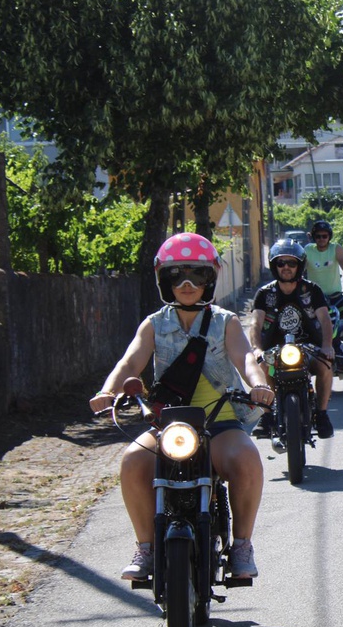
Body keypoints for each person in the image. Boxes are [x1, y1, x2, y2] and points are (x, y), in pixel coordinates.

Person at [89, 232, 275, 580]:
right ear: (164, 282)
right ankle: (145, 548)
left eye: (197, 275)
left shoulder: (225, 321)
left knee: (248, 459)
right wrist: (107, 391)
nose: (187, 284)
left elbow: (245, 358)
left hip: (218, 423)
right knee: (132, 461)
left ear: (210, 279)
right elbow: (129, 363)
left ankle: (242, 546)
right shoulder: (154, 325)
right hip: (168, 426)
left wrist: (259, 384)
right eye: (177, 276)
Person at [250, 239, 336, 444]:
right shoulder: (264, 294)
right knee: (263, 367)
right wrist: (257, 349)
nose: (286, 267)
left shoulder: (312, 291)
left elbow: (325, 319)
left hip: (309, 347)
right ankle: (268, 415)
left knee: (326, 367)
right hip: (275, 351)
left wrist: (327, 346)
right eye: (281, 263)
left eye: (291, 263)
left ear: (300, 265)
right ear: (274, 266)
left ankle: (322, 414)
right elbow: (255, 323)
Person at [304, 220, 343, 315]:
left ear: (329, 236)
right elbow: (299, 272)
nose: (321, 239)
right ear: (314, 237)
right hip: (314, 299)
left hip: (336, 298)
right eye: (318, 236)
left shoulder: (336, 248)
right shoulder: (307, 250)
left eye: (324, 236)